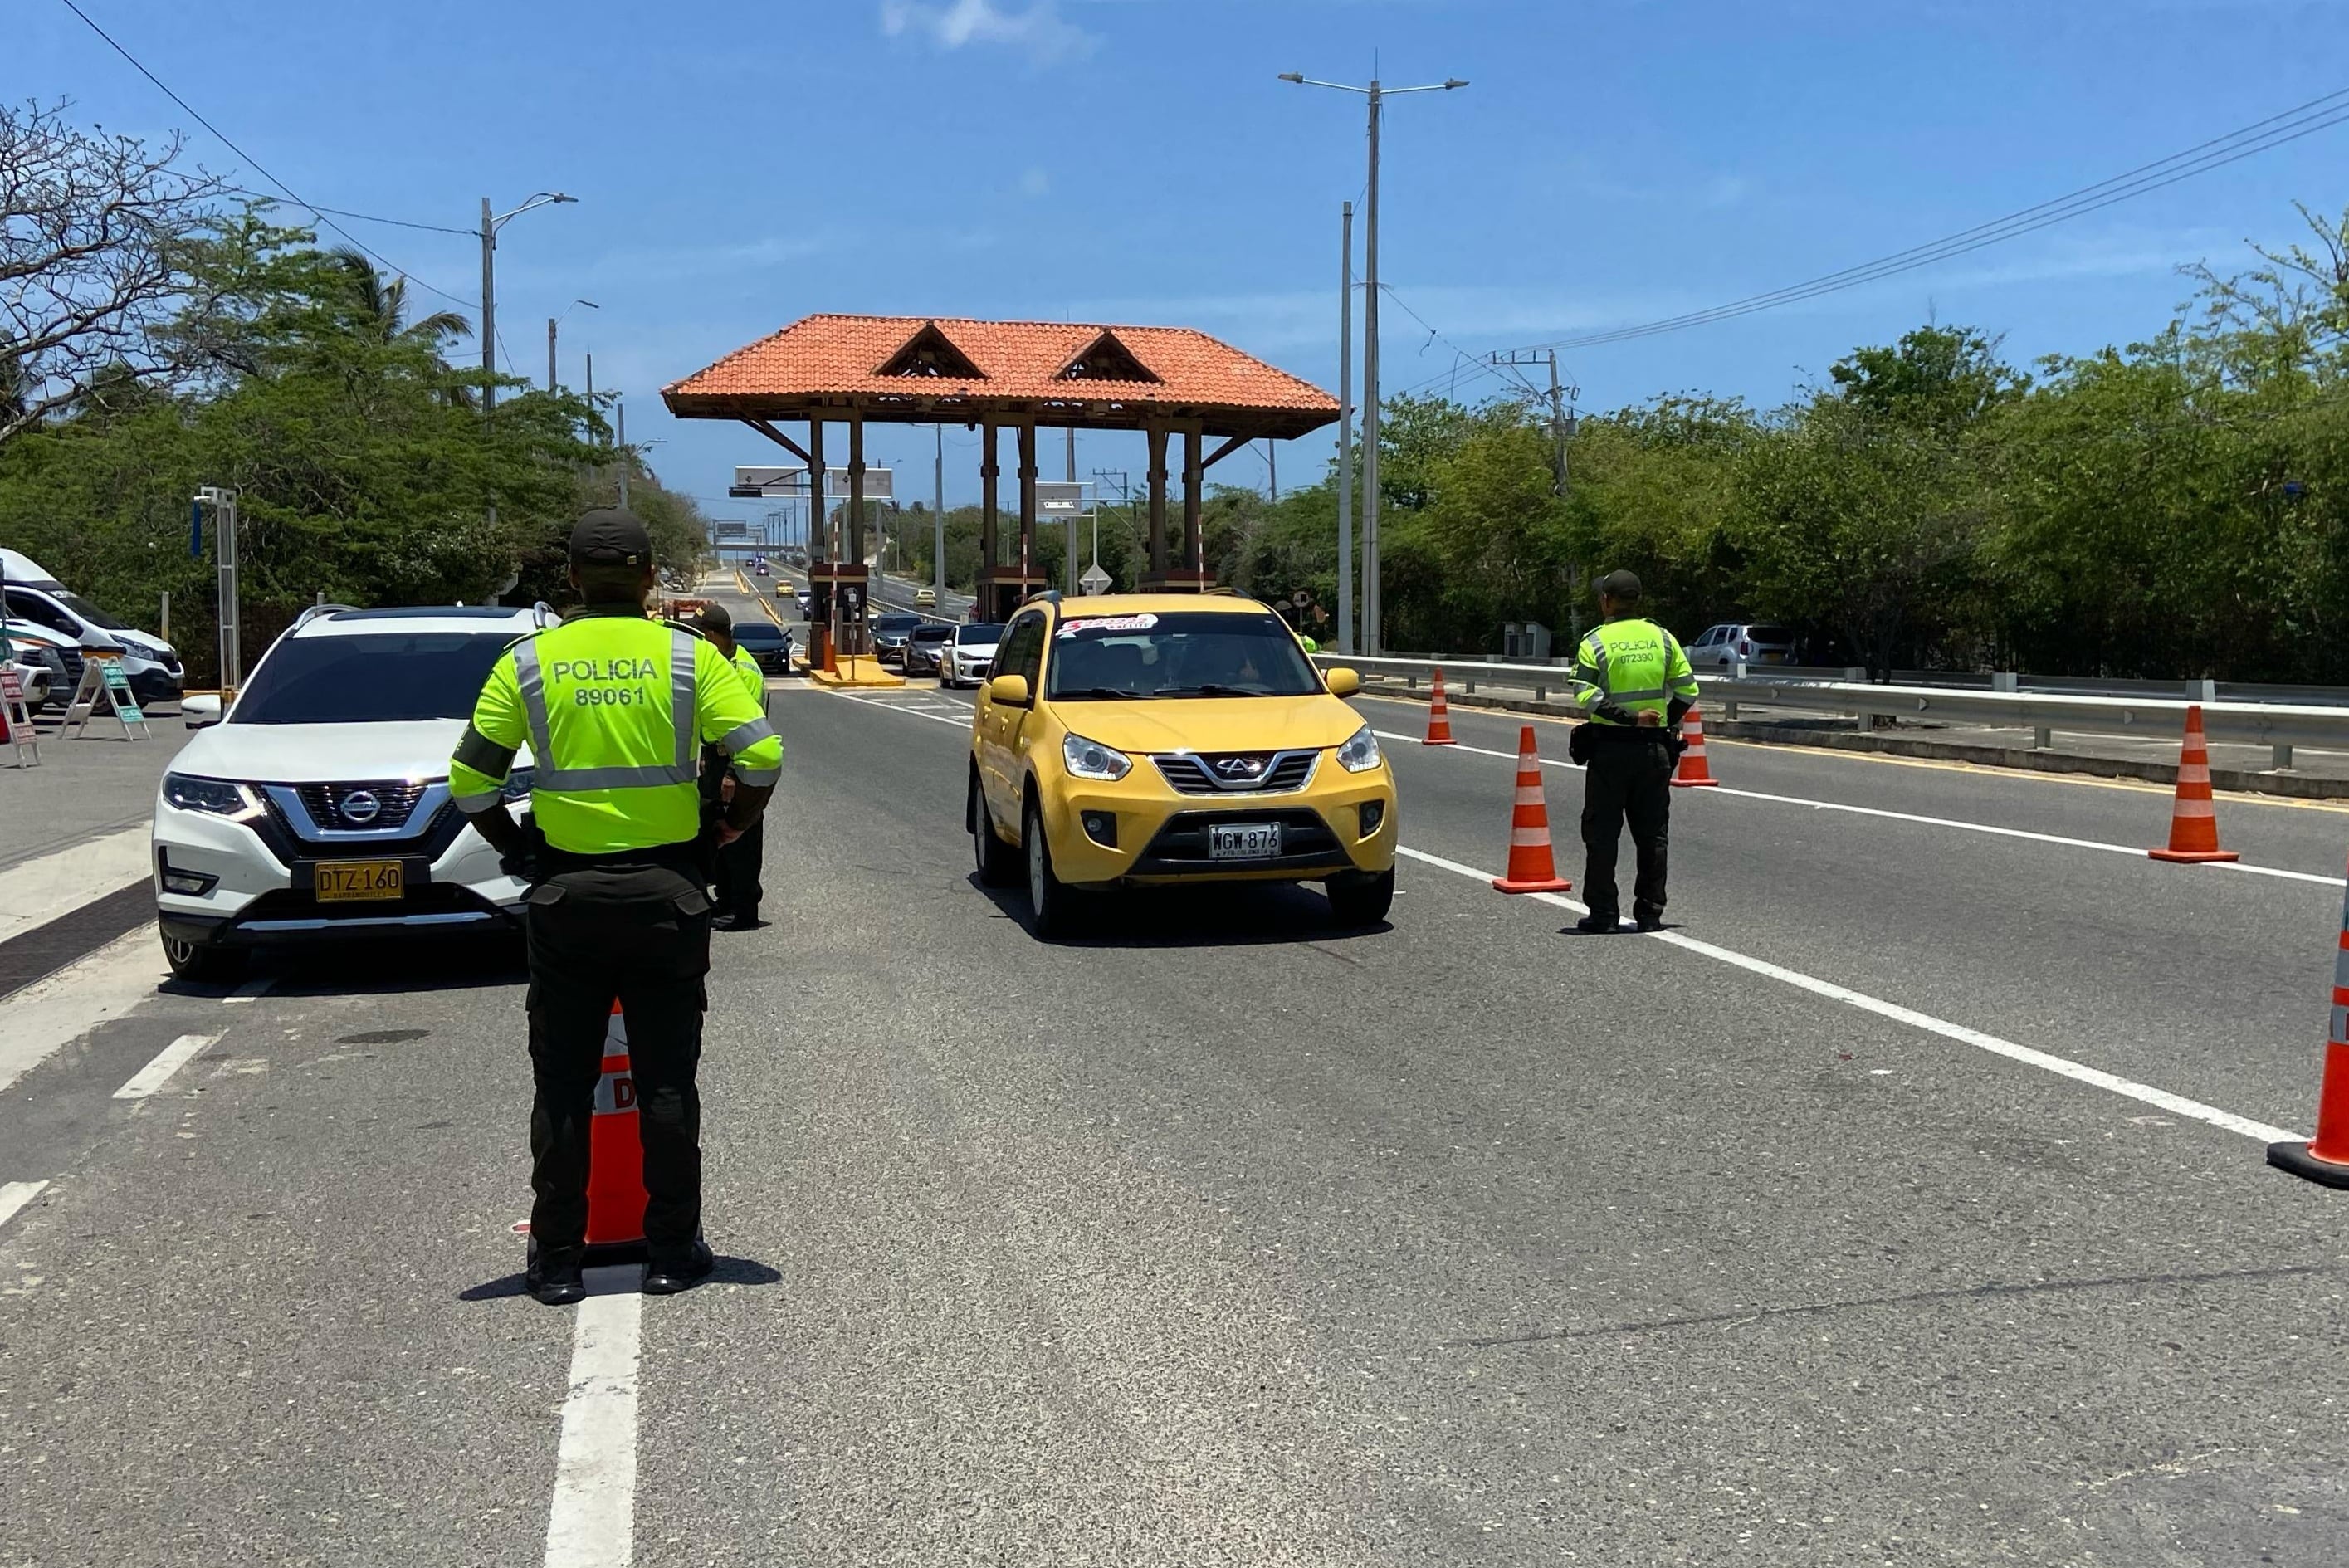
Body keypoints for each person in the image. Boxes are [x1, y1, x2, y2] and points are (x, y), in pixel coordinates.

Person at [448, 510, 782, 1305]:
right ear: (647, 579)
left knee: (561, 1084)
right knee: (668, 1082)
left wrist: (521, 850)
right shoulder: (688, 657)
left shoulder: (528, 663)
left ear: (569, 579)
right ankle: (671, 1251)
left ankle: (558, 1260)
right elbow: (761, 753)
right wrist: (729, 829)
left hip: (567, 897)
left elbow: (470, 782)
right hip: (669, 897)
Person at [1567, 569, 1699, 934]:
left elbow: (1586, 694)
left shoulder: (1595, 642)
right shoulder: (1663, 638)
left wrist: (1629, 719)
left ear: (1606, 600)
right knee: (1653, 834)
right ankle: (1650, 913)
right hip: (1654, 751)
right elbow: (1688, 691)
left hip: (1611, 751)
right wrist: (1660, 724)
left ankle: (1604, 914)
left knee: (1602, 834)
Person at [688, 603, 770, 931]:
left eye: (700, 633)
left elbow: (750, 731)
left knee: (742, 837)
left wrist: (734, 774)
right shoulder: (715, 662)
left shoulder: (743, 671)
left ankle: (745, 908)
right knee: (715, 832)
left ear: (711, 635)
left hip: (737, 761)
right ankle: (724, 900)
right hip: (715, 757)